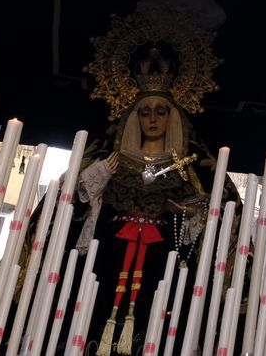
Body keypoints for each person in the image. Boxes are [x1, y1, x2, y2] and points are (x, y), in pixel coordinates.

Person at [75, 67, 226, 356]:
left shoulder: (186, 168)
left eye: (161, 111)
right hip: (109, 253)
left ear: (173, 118)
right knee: (96, 308)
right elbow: (80, 202)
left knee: (156, 316)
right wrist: (99, 176)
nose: (154, 119)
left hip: (161, 257)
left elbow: (205, 214)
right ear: (135, 118)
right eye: (145, 112)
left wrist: (189, 213)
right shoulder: (112, 162)